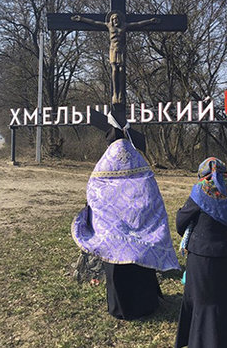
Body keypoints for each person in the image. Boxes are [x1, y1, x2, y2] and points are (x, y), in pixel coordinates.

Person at [71, 127, 178, 320]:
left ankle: (120, 308)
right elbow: (153, 200)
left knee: (117, 268)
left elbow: (94, 201)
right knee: (140, 266)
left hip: (113, 240)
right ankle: (147, 303)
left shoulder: (100, 173)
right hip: (142, 237)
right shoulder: (143, 170)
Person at [175, 157, 227, 348]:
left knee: (203, 303)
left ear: (202, 176)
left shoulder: (199, 192)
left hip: (203, 258)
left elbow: (180, 222)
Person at [71, 11, 158, 105]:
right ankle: (115, 93)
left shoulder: (124, 26)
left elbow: (137, 24)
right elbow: (94, 22)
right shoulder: (109, 26)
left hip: (121, 50)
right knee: (114, 70)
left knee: (121, 70)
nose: (115, 20)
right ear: (111, 20)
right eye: (114, 19)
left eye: (117, 18)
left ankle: (121, 93)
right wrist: (82, 19)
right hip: (113, 50)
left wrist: (150, 21)